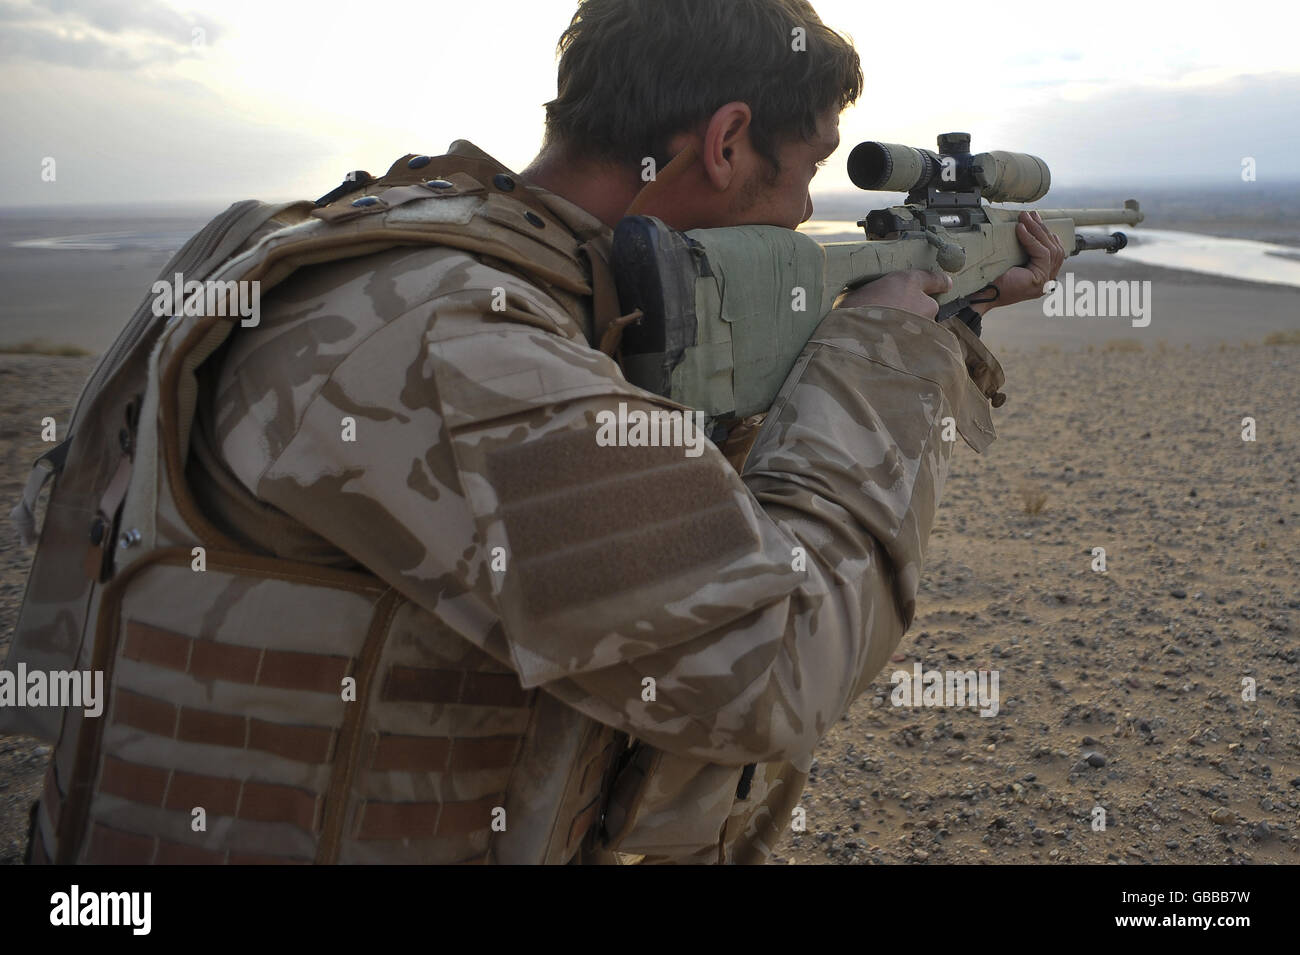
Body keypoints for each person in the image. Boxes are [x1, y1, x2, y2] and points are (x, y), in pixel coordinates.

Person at [35, 0, 1063, 865]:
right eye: (805, 174)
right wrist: (886, 358)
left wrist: (949, 315)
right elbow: (775, 667)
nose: (801, 214)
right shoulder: (454, 338)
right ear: (727, 139)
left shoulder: (472, 264)